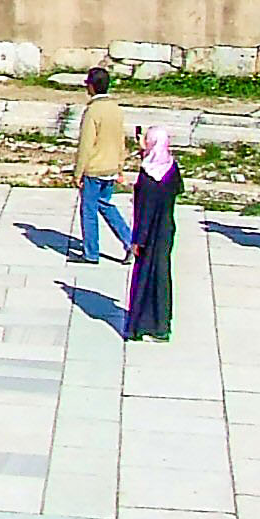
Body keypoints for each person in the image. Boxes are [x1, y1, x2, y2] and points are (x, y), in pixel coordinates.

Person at [125, 126, 181, 341]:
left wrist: (138, 239)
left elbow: (145, 210)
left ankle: (141, 325)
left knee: (144, 278)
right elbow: (177, 189)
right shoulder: (171, 168)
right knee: (162, 276)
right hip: (166, 228)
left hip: (148, 233)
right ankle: (162, 325)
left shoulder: (148, 175)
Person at [72, 66, 131, 265]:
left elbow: (86, 144)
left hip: (94, 168)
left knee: (89, 210)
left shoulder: (92, 111)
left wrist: (77, 173)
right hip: (112, 166)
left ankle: (91, 252)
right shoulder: (116, 109)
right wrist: (120, 166)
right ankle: (129, 241)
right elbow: (121, 140)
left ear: (91, 87)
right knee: (106, 205)